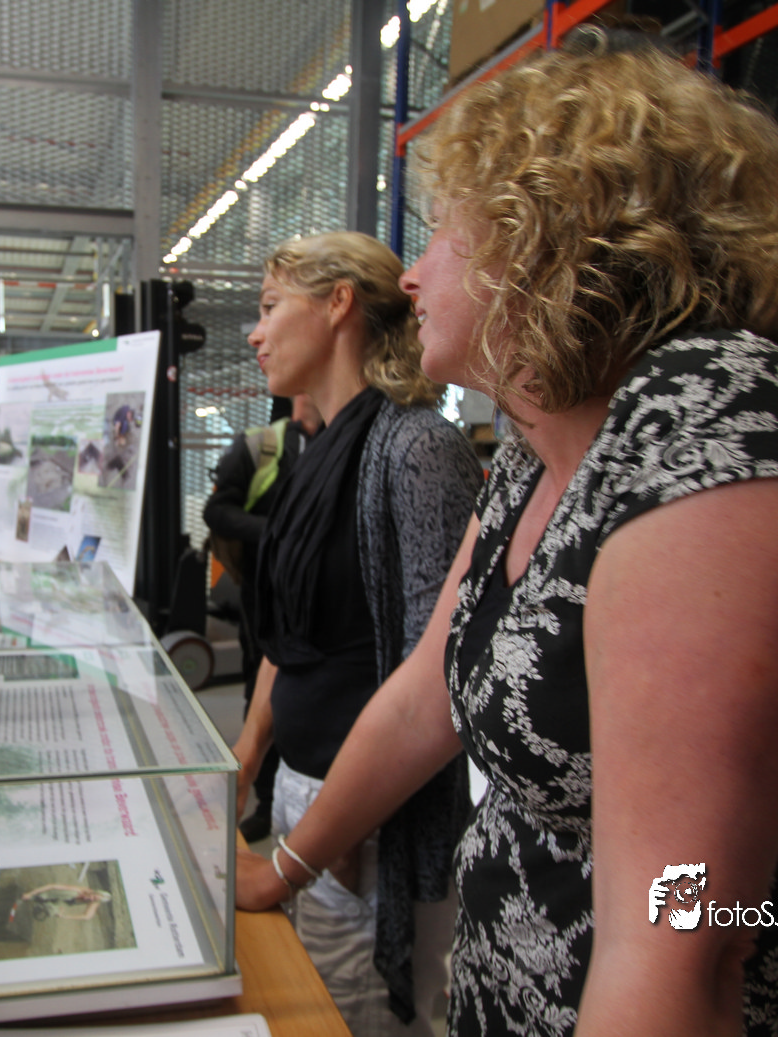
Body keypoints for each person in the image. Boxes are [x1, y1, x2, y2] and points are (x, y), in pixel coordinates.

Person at [239, 30, 778, 1037]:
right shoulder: (538, 452)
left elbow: (684, 935)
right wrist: (284, 865)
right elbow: (423, 695)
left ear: (547, 237)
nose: (411, 277)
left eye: (444, 233)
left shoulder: (720, 438)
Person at [231, 232, 483, 1037]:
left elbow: (430, 678)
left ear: (338, 302)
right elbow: (292, 637)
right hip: (311, 799)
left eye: (270, 306)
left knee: (358, 1016)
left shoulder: (417, 449)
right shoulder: (321, 449)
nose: (255, 332)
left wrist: (318, 844)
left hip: (366, 825)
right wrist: (246, 757)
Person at [204, 392, 321, 842]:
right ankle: (267, 802)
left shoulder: (344, 439)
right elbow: (216, 511)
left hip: (321, 596)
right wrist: (275, 533)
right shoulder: (261, 446)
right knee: (261, 690)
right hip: (264, 595)